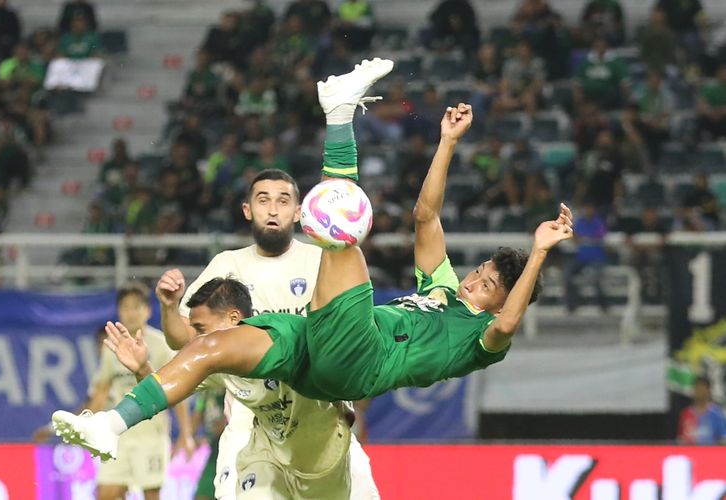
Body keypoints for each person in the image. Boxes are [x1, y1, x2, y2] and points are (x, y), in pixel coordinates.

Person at [53, 58, 574, 465]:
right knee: (212, 346)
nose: (472, 282)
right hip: (316, 352)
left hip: (362, 359)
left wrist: (539, 252)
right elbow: (425, 216)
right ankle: (110, 426)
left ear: (496, 304)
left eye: (484, 287)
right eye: (478, 272)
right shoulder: (441, 290)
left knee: (343, 234)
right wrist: (446, 144)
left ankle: (340, 116)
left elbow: (508, 321)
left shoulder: (481, 340)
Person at [108, 276, 375, 499]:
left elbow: (358, 368)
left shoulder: (289, 344)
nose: (198, 340)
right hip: (269, 456)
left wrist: (353, 410)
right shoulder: (222, 367)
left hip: (325, 459)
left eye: (202, 329)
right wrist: (142, 368)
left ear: (234, 318)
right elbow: (168, 391)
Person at [47, 283, 195, 500]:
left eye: (136, 307)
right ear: (118, 311)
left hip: (150, 436)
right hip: (118, 435)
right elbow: (101, 391)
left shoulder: (161, 345)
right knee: (106, 493)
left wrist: (186, 434)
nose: (131, 312)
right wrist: (83, 425)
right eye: (125, 307)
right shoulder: (112, 348)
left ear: (148, 311)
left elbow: (177, 393)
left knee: (151, 495)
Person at [677, 376, 726, 444]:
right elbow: (680, 439)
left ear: (709, 390)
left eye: (702, 388)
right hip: (690, 453)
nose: (700, 392)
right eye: (697, 388)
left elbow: (723, 438)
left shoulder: (717, 414)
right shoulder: (685, 413)